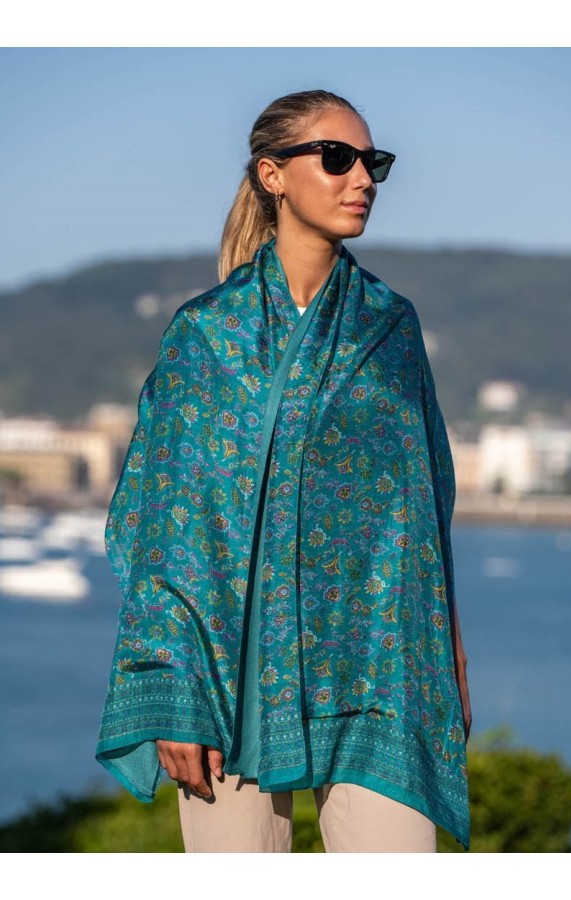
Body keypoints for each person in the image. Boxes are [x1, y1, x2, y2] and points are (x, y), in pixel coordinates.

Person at [96, 89, 472, 853]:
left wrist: (450, 656)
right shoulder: (208, 334)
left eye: (372, 162)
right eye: (336, 158)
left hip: (378, 665)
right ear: (272, 175)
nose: (360, 178)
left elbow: (423, 512)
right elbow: (169, 531)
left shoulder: (390, 327)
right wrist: (173, 694)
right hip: (226, 675)